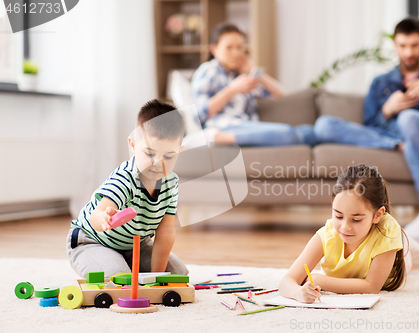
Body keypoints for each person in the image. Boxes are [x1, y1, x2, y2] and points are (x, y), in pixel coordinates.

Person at [314, 18, 419, 239]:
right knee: (325, 125)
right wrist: (387, 109)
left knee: (409, 117)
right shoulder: (381, 82)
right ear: (395, 45)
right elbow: (369, 128)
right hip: (389, 133)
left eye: (414, 45)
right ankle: (401, 145)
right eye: (403, 46)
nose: (409, 52)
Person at [66, 99, 188, 278]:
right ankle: (112, 265)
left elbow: (166, 232)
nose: (157, 163)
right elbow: (96, 215)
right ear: (133, 145)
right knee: (120, 278)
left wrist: (157, 277)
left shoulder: (171, 182)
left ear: (179, 151)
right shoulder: (125, 178)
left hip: (135, 247)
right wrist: (104, 218)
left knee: (178, 275)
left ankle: (127, 265)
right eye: (150, 153)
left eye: (168, 156)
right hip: (93, 241)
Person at [279, 165, 416, 302]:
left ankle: (409, 242)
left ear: (377, 215)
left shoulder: (388, 233)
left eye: (356, 219)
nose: (345, 228)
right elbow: (287, 281)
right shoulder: (327, 234)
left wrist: (319, 280)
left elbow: (372, 286)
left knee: (408, 255)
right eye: (338, 216)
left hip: (394, 254)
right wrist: (298, 292)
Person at [191, 22, 317, 146]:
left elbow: (283, 97)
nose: (236, 53)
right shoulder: (208, 70)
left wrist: (256, 72)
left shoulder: (242, 76)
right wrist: (232, 90)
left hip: (248, 126)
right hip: (223, 126)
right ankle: (214, 138)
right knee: (289, 133)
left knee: (309, 132)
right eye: (229, 47)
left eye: (239, 47)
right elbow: (198, 114)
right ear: (214, 49)